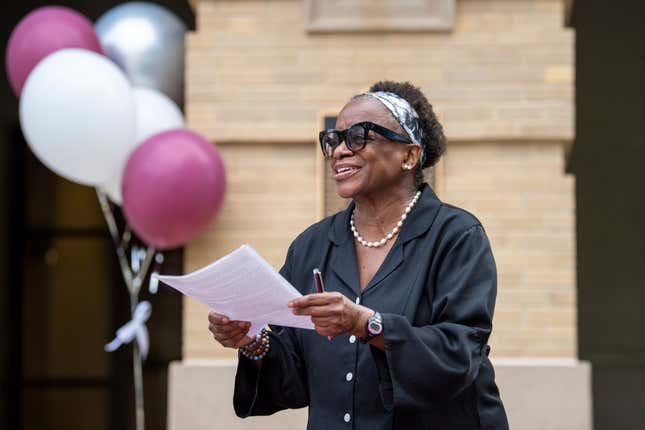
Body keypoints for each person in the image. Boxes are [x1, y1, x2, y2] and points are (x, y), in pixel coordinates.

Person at [208, 81, 509, 429]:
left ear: (409, 156)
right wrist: (253, 342)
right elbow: (296, 376)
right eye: (333, 140)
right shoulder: (311, 246)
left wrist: (366, 324)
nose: (338, 151)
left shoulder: (456, 235)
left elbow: (459, 356)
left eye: (358, 136)